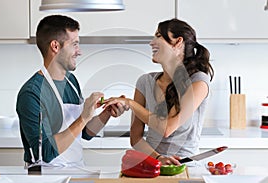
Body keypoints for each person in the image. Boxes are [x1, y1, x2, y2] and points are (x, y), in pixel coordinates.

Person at [16, 15, 126, 167]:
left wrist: (107, 112)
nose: (79, 51)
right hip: (44, 180)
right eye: (74, 44)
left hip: (77, 172)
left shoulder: (71, 81)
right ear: (55, 46)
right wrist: (84, 117)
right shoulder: (31, 94)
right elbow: (46, 153)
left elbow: (84, 133)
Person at [104, 18, 214, 165]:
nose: (151, 42)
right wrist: (158, 158)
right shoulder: (145, 81)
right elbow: (135, 138)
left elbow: (167, 128)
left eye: (158, 36)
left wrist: (130, 103)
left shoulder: (198, 81)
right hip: (151, 163)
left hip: (184, 165)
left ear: (177, 42)